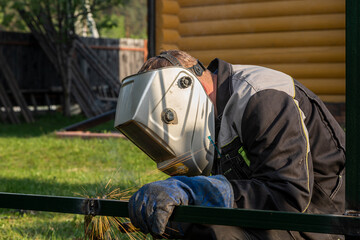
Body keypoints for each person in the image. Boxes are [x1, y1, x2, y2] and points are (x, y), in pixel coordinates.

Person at [114, 50, 345, 240]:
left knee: (211, 231)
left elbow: (287, 198)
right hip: (281, 217)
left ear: (185, 88)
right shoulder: (213, 112)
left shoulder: (262, 99)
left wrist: (198, 190)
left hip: (322, 223)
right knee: (176, 223)